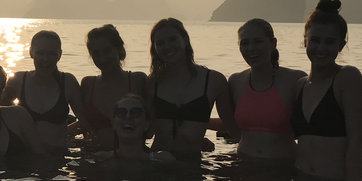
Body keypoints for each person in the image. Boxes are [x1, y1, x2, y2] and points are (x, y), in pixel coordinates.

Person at [291, 0, 362, 181]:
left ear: (341, 45)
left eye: (329, 42)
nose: (321, 48)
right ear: (305, 41)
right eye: (315, 40)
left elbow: (356, 143)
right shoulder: (299, 85)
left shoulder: (347, 78)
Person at [148, 18, 235, 156]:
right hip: (157, 162)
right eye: (160, 43)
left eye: (173, 40)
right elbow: (146, 132)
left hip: (193, 164)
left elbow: (231, 128)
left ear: (185, 40)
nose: (167, 46)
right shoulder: (152, 83)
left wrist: (198, 126)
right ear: (155, 49)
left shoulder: (213, 81)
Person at [228, 19, 306, 159]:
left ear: (273, 43)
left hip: (283, 167)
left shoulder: (295, 80)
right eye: (244, 43)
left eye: (258, 41)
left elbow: (310, 131)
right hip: (243, 166)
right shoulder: (235, 81)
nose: (251, 48)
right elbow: (234, 124)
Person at [3, 30, 83, 153]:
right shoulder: (17, 80)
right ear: (31, 52)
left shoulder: (68, 82)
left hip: (58, 160)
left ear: (59, 55)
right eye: (40, 53)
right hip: (24, 158)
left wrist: (67, 134)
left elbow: (85, 121)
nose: (45, 59)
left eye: (51, 54)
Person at [78, 25, 147, 149]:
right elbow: (84, 123)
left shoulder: (138, 80)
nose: (102, 58)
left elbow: (152, 124)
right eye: (96, 54)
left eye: (107, 51)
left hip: (130, 158)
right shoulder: (88, 84)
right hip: (93, 159)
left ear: (119, 49)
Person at [109, 93, 174, 162]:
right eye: (121, 112)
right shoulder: (101, 158)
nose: (128, 116)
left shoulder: (163, 159)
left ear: (146, 125)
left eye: (136, 112)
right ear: (113, 124)